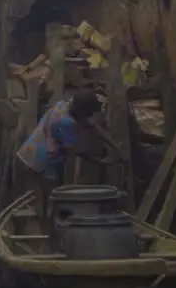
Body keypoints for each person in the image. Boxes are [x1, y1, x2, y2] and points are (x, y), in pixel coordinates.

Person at [17, 88, 119, 228]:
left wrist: (115, 147)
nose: (89, 116)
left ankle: (48, 230)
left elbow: (92, 127)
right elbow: (77, 150)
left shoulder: (62, 104)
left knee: (43, 197)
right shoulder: (64, 122)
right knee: (48, 200)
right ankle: (48, 236)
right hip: (41, 161)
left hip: (31, 153)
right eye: (88, 113)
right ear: (81, 111)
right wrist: (101, 161)